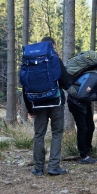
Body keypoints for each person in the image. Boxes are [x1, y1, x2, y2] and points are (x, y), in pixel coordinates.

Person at [22, 37, 70, 176]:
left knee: (39, 135)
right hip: (55, 103)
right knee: (56, 134)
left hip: (37, 104)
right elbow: (65, 82)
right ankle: (54, 167)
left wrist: (30, 109)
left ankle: (38, 168)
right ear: (52, 46)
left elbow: (25, 86)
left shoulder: (30, 62)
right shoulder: (55, 59)